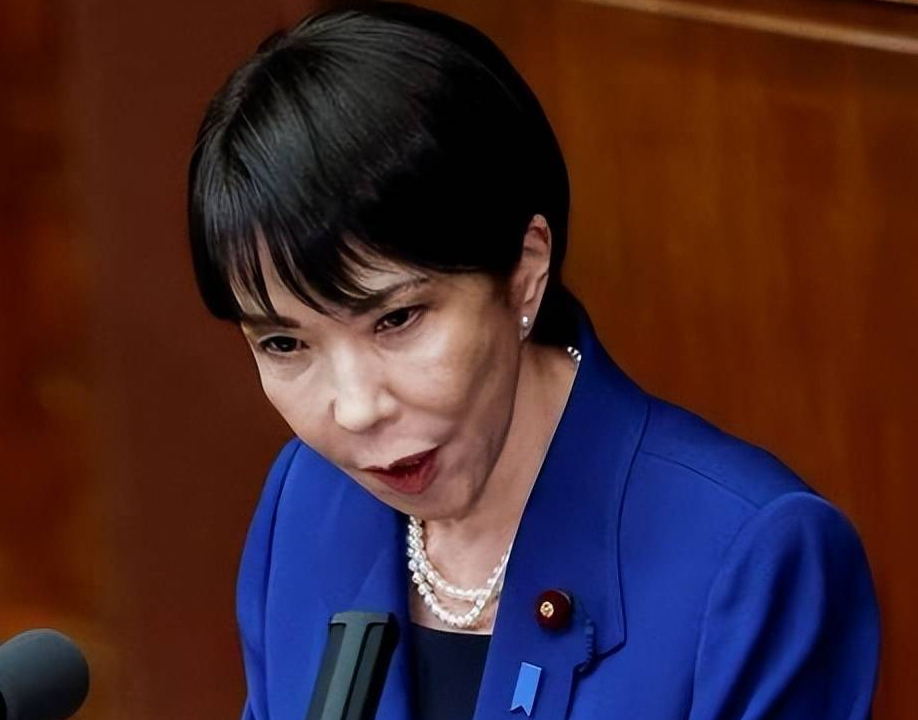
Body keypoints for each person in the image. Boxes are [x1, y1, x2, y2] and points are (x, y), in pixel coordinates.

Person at [185, 3, 880, 719]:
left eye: (397, 320)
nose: (357, 409)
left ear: (525, 270)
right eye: (284, 344)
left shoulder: (753, 558)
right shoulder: (308, 501)